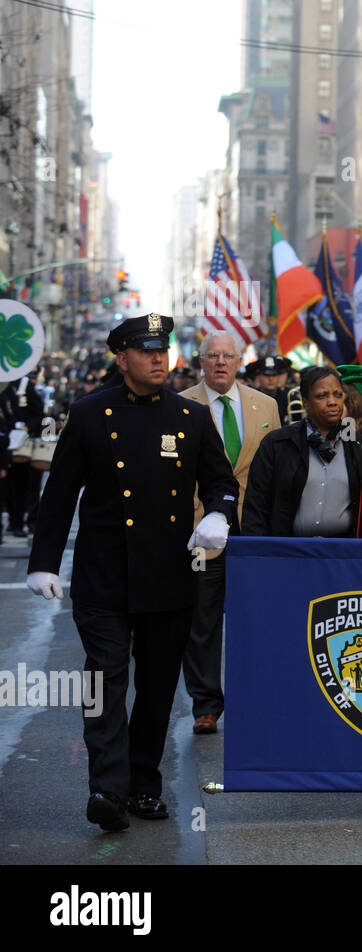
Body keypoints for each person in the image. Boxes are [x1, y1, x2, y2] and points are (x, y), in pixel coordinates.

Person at [26, 314, 238, 831]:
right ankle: (107, 788)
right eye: (146, 352)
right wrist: (43, 563)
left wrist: (217, 513)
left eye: (163, 350)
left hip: (168, 575)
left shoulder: (189, 416)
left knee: (159, 688)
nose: (159, 358)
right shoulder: (89, 412)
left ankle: (145, 784)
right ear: (122, 359)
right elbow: (59, 495)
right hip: (104, 576)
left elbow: (221, 481)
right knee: (105, 680)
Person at [178, 332, 282, 735]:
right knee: (202, 620)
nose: (220, 363)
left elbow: (274, 468)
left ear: (240, 361)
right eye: (212, 356)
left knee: (254, 618)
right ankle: (206, 704)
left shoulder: (267, 405)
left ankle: (255, 697)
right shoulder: (182, 405)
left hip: (253, 527)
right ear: (200, 362)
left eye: (228, 356)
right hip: (200, 529)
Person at [241, 366, 362, 539]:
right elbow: (256, 505)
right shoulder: (278, 444)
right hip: (289, 553)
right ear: (305, 402)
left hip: (347, 555)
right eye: (322, 395)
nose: (332, 402)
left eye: (338, 394)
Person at [3, 374, 45, 537]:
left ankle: (31, 521)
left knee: (31, 484)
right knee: (14, 486)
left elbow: (39, 412)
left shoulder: (25, 385)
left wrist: (28, 427)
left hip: (27, 441)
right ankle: (16, 522)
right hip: (9, 442)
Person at [247, 354, 294, 424]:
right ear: (259, 377)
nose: (271, 378)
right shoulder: (249, 399)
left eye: (274, 375)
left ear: (278, 377)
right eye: (266, 375)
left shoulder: (289, 399)